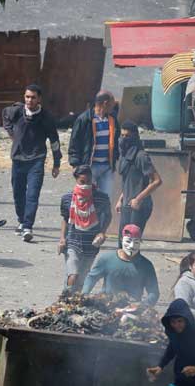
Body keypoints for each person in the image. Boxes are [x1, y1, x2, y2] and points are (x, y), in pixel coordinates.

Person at [2, 84, 62, 242]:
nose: (29, 100)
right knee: (18, 193)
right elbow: (5, 114)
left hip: (37, 160)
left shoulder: (46, 118)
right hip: (18, 159)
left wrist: (57, 163)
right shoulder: (16, 111)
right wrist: (11, 132)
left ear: (39, 99)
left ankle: (28, 226)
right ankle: (21, 220)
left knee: (32, 194)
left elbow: (54, 141)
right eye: (27, 97)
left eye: (33, 97)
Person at [59, 165, 112, 293]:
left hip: (91, 244)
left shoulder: (101, 198)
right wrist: (62, 239)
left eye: (88, 181)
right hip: (72, 242)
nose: (85, 185)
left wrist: (102, 232)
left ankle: (71, 300)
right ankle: (67, 297)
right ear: (76, 180)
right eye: (82, 182)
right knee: (73, 274)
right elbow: (65, 219)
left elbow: (108, 216)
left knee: (81, 280)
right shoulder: (67, 198)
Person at [82, 224, 159, 305]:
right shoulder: (107, 259)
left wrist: (142, 306)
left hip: (132, 307)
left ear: (140, 242)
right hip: (106, 305)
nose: (132, 246)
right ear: (121, 239)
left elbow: (154, 292)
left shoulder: (146, 265)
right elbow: (92, 277)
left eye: (136, 242)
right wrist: (84, 295)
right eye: (128, 241)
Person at [115, 120, 161, 245]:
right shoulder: (125, 155)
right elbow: (128, 182)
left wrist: (138, 199)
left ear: (135, 137)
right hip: (127, 204)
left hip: (139, 207)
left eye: (127, 136)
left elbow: (157, 181)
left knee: (131, 243)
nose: (124, 139)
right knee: (122, 243)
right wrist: (120, 199)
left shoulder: (141, 156)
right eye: (122, 135)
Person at [68, 90, 120, 196]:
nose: (113, 107)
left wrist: (117, 159)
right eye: (112, 104)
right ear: (105, 103)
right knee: (87, 198)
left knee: (106, 198)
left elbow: (117, 140)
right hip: (90, 167)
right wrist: (75, 164)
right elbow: (74, 142)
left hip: (107, 167)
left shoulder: (112, 119)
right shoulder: (84, 119)